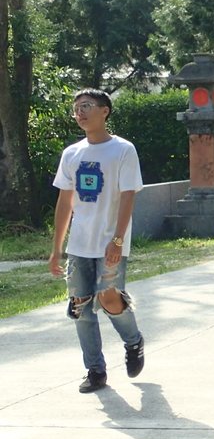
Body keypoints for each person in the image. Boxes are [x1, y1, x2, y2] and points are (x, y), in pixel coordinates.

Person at [48, 89, 146, 393]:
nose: (80, 113)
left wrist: (117, 239)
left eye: (86, 107)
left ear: (105, 111)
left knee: (108, 297)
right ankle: (95, 370)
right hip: (80, 244)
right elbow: (65, 202)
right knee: (80, 306)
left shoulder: (123, 150)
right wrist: (56, 249)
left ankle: (134, 341)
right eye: (76, 109)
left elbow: (128, 195)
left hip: (110, 241)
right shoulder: (71, 154)